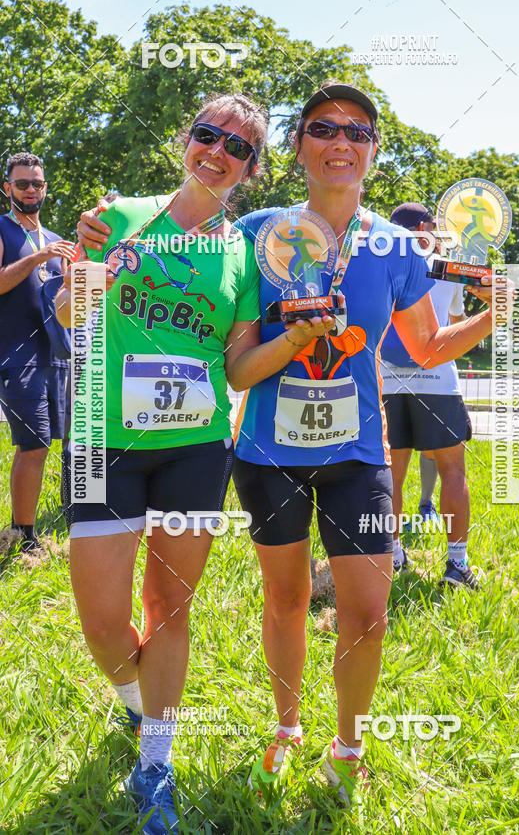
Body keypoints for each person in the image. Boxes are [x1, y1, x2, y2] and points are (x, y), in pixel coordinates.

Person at [78, 82, 514, 810]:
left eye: (358, 132)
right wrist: (98, 243)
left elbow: (426, 346)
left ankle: (348, 746)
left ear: (374, 151)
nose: (341, 142)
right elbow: (208, 317)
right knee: (282, 599)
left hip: (360, 453)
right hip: (266, 453)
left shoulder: (395, 246)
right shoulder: (256, 232)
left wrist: (494, 315)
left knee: (368, 612)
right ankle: (286, 728)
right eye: (323, 129)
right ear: (299, 147)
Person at [60, 93, 333, 835]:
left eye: (238, 147)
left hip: (194, 446)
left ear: (250, 168)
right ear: (186, 140)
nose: (218, 152)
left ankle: (157, 762)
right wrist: (91, 273)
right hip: (99, 439)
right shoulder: (119, 216)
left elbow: (240, 368)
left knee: (169, 610)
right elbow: (68, 314)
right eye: (209, 135)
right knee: (103, 619)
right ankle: (136, 704)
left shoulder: (243, 253)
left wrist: (296, 343)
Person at [380, 203, 478, 588]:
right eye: (434, 227)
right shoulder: (446, 269)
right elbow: (454, 328)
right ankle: (457, 565)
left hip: (386, 381)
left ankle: (394, 553)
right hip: (437, 380)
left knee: (392, 476)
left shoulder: (380, 263)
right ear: (423, 227)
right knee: (453, 471)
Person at [0, 152, 77, 552]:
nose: (31, 190)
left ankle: (73, 517)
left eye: (38, 183)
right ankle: (22, 535)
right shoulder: (4, 230)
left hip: (61, 355)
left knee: (68, 441)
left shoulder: (55, 240)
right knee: (34, 445)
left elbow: (70, 302)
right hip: (18, 356)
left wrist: (74, 278)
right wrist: (38, 258)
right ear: (7, 188)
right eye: (23, 183)